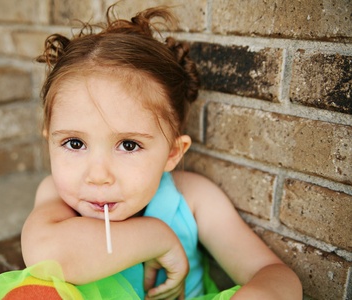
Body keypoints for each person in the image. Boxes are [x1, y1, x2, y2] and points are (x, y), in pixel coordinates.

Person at [20, 5, 302, 300]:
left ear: (172, 153)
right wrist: (158, 238)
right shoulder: (58, 196)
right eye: (75, 144)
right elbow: (46, 255)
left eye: (129, 145)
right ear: (49, 142)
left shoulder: (192, 199)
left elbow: (274, 273)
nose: (98, 176)